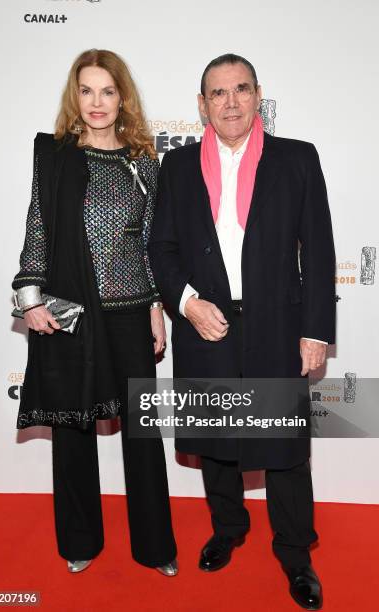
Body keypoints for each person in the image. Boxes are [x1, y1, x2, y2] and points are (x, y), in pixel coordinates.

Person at [149, 53, 335, 609]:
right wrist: (185, 303)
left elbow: (320, 252)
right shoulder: (177, 168)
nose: (230, 101)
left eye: (241, 89)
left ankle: (296, 552)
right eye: (218, 92)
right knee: (217, 441)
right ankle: (228, 529)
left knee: (282, 447)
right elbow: (161, 247)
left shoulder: (297, 159)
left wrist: (316, 329)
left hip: (278, 324)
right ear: (201, 105)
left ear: (258, 96)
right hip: (207, 322)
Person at [12, 49, 177, 576]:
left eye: (107, 91)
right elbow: (39, 228)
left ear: (122, 96)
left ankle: (155, 547)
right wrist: (30, 299)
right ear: (74, 95)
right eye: (87, 91)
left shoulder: (143, 162)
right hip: (68, 307)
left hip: (131, 308)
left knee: (143, 432)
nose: (97, 102)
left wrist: (156, 308)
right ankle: (79, 540)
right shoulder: (55, 156)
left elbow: (152, 244)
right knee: (72, 429)